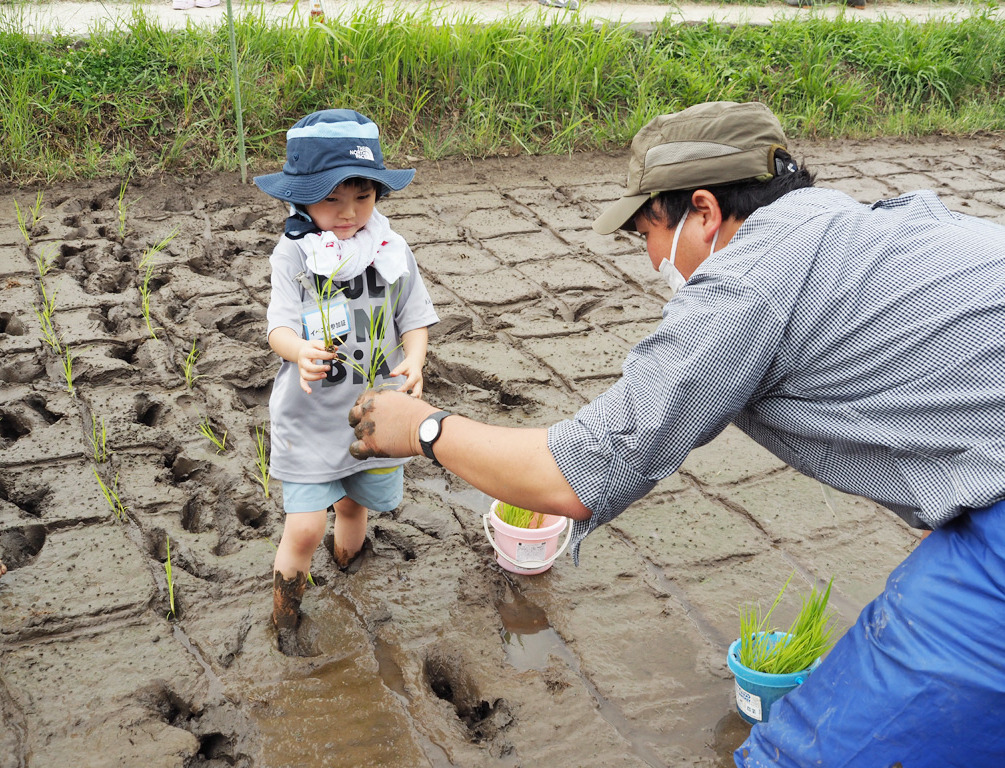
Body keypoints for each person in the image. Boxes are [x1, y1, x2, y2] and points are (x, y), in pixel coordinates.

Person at [346, 101, 1005, 766]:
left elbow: (574, 473)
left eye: (647, 235)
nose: (653, 257)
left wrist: (423, 428)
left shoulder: (749, 283)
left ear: (705, 211)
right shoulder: (867, 226)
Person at [254, 109, 439, 651]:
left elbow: (414, 316)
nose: (348, 213)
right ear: (300, 196)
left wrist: (416, 359)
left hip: (375, 413)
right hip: (310, 417)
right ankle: (286, 618)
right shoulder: (295, 253)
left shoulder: (390, 249)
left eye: (362, 197)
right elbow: (278, 326)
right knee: (305, 526)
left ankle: (349, 566)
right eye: (331, 198)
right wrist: (300, 351)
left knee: (356, 505)